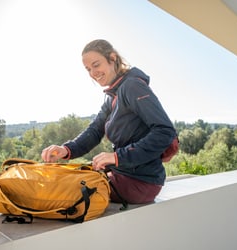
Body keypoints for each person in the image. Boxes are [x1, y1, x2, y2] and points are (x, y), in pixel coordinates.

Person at [41, 39, 177, 204]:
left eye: (96, 65)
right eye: (88, 69)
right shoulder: (113, 95)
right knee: (61, 179)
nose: (93, 73)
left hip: (140, 182)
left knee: (60, 189)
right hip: (122, 174)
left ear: (112, 58)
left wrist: (117, 157)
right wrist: (66, 149)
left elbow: (165, 131)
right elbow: (94, 131)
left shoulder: (132, 86)